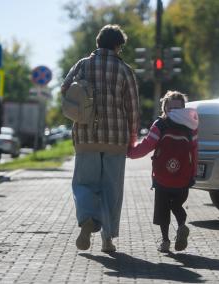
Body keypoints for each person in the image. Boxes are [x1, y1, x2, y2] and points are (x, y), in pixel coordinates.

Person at [60, 24, 140, 253]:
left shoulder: (82, 65)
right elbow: (132, 107)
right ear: (118, 46)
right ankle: (107, 239)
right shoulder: (125, 70)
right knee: (111, 190)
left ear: (97, 42)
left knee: (84, 183)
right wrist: (132, 137)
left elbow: (65, 91)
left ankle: (87, 220)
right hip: (116, 139)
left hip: (85, 135)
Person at [127, 90, 198, 252]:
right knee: (177, 205)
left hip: (162, 177)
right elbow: (194, 151)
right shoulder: (191, 126)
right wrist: (193, 174)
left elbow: (147, 145)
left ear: (164, 108)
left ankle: (165, 241)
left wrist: (130, 153)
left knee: (162, 209)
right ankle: (181, 226)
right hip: (183, 176)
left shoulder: (160, 125)